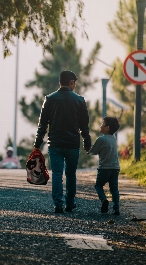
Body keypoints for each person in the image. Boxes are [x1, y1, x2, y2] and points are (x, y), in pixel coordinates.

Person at [34, 70, 91, 213]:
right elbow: (84, 125)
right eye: (75, 83)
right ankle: (70, 202)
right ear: (72, 83)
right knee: (71, 174)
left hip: (55, 144)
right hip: (72, 144)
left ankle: (58, 203)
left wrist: (38, 143)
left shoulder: (50, 99)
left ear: (60, 82)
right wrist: (87, 140)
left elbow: (42, 124)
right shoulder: (79, 100)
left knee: (57, 174)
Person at [87, 116, 121, 215]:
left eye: (103, 124)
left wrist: (88, 149)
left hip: (104, 168)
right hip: (115, 168)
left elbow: (92, 151)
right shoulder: (114, 138)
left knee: (98, 185)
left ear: (107, 128)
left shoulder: (101, 139)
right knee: (114, 188)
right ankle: (116, 208)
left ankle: (103, 200)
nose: (101, 126)